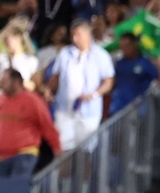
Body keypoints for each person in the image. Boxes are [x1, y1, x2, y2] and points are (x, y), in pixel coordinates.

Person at [46, 19, 115, 150]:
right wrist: (49, 90)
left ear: (88, 34)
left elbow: (108, 82)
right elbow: (56, 76)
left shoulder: (101, 55)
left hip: (89, 110)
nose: (75, 39)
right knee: (63, 149)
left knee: (86, 151)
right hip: (65, 109)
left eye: (78, 35)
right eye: (73, 35)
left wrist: (94, 94)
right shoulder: (65, 53)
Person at [0, 68, 62, 177]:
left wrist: (57, 147)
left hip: (25, 154)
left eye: (5, 81)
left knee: (16, 187)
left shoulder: (33, 101)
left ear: (17, 82)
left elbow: (46, 125)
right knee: (2, 190)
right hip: (2, 156)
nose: (1, 84)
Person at [111, 33, 160, 113]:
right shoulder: (119, 64)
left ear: (134, 45)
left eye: (127, 46)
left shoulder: (145, 63)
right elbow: (114, 83)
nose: (124, 49)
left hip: (138, 108)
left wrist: (158, 64)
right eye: (122, 47)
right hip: (118, 108)